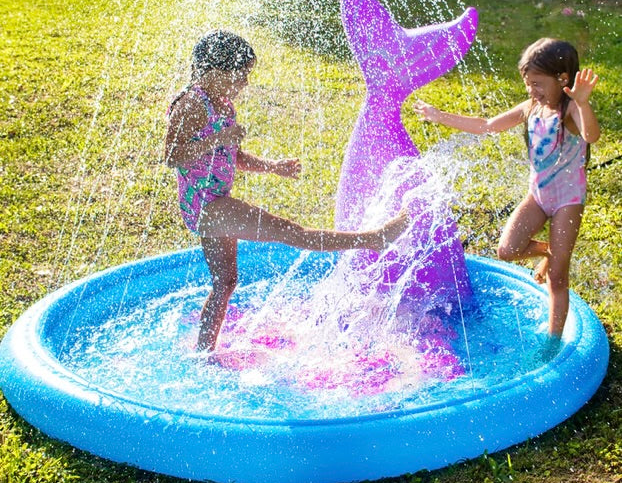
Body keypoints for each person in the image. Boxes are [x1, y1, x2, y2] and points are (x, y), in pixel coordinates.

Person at [165, 30, 410, 352]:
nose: (245, 84)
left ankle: (203, 352)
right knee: (289, 232)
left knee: (225, 282)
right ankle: (372, 240)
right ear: (213, 72)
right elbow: (172, 156)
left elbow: (229, 157)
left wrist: (271, 166)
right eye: (239, 75)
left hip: (213, 201)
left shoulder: (222, 105)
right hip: (205, 204)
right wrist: (218, 139)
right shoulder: (191, 104)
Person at [413, 37, 600, 340]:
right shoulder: (530, 108)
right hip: (538, 196)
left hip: (568, 199)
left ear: (562, 79)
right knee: (507, 249)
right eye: (528, 83)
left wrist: (582, 102)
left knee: (556, 277)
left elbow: (592, 136)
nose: (532, 91)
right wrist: (439, 116)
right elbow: (487, 124)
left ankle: (552, 340)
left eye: (538, 83)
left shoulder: (570, 111)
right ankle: (551, 251)